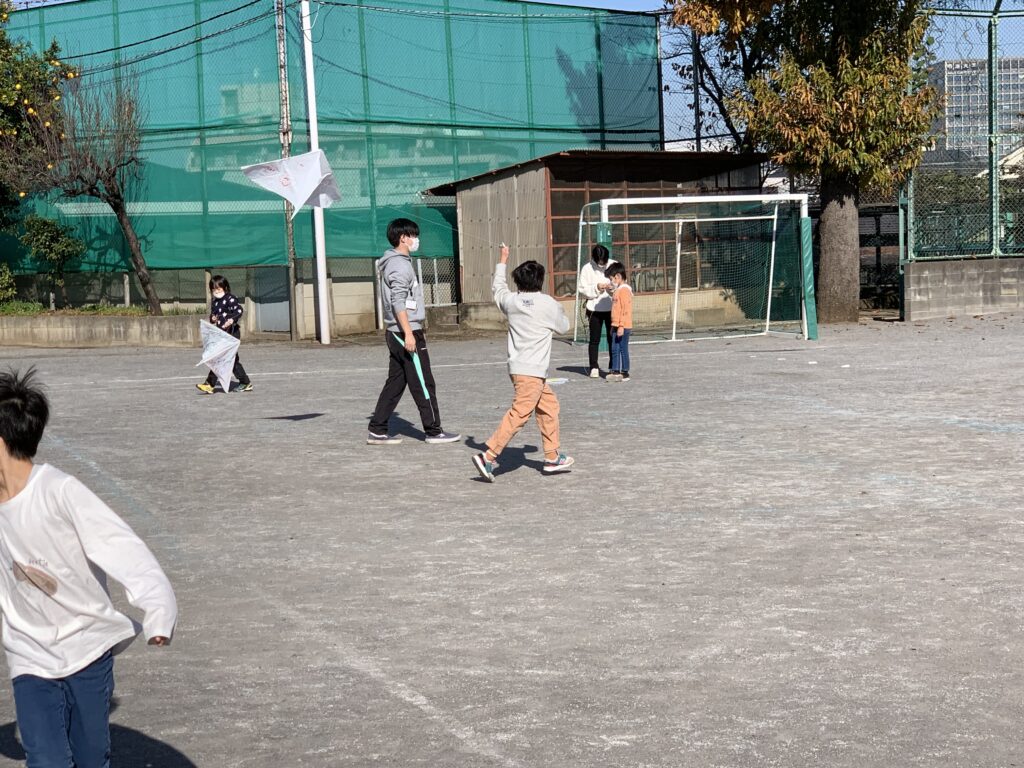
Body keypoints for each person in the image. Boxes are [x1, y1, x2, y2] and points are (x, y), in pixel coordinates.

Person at [0, 368, 177, 768]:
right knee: (46, 760)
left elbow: (122, 547)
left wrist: (159, 608)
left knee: (91, 757)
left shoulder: (59, 491)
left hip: (87, 647)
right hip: (30, 654)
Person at [472, 245, 574, 482]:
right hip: (532, 372)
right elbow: (564, 326)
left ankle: (552, 457)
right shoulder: (547, 303)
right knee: (519, 414)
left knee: (549, 407)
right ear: (540, 280)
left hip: (519, 369)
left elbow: (498, 287)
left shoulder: (511, 301)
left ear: (518, 281)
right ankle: (488, 456)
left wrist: (503, 259)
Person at [368, 218, 460, 445]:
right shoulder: (399, 265)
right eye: (413, 235)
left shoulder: (396, 262)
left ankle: (377, 429)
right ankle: (433, 431)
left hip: (398, 331)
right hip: (405, 333)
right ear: (403, 238)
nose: (416, 239)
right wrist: (409, 333)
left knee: (396, 382)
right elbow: (398, 301)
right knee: (423, 381)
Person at [196, 274, 252, 394]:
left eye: (218, 288)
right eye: (213, 289)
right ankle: (244, 382)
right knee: (228, 359)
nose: (216, 291)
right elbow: (213, 316)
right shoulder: (215, 302)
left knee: (222, 358)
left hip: (232, 333)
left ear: (225, 287)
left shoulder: (230, 298)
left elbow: (239, 310)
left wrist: (231, 320)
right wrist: (213, 318)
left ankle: (210, 384)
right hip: (221, 334)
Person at [577, 244, 616, 379]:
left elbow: (622, 284)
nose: (601, 264)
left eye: (603, 261)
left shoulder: (614, 265)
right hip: (594, 309)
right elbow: (582, 289)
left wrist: (611, 289)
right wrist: (597, 288)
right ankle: (594, 366)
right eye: (599, 262)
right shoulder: (587, 268)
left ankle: (613, 366)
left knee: (612, 339)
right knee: (594, 339)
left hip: (612, 307)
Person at [605, 262, 633, 382]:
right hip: (616, 325)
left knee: (622, 348)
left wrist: (621, 326)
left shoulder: (624, 290)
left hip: (623, 326)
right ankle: (615, 370)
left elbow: (625, 310)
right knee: (614, 348)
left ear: (618, 277)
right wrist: (613, 325)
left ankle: (625, 371)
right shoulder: (618, 290)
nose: (611, 282)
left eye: (612, 279)